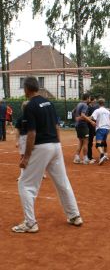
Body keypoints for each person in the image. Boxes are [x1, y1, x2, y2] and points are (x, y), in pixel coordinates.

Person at [12, 76, 83, 233]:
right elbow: (56, 125)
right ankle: (74, 215)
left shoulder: (30, 106)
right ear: (37, 87)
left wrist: (26, 157)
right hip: (55, 146)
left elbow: (31, 133)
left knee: (25, 184)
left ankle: (30, 223)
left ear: (26, 89)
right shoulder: (49, 103)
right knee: (63, 182)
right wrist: (57, 145)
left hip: (42, 146)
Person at [87, 98, 110, 165]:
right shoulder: (108, 111)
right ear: (104, 103)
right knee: (102, 143)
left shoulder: (97, 110)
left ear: (98, 104)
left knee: (98, 144)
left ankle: (102, 155)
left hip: (100, 128)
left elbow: (92, 118)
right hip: (107, 129)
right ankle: (103, 155)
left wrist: (85, 117)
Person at [73, 93, 91, 164]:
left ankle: (77, 158)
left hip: (78, 125)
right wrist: (91, 121)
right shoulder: (85, 105)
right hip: (83, 125)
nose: (90, 99)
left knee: (80, 142)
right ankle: (85, 159)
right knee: (86, 142)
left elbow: (73, 112)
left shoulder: (79, 104)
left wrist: (77, 118)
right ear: (87, 98)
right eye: (89, 98)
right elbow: (83, 115)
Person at [86, 95, 99, 164]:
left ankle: (89, 156)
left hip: (92, 126)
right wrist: (91, 119)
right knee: (89, 142)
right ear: (91, 100)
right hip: (89, 126)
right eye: (94, 100)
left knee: (90, 142)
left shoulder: (93, 107)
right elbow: (86, 117)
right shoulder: (88, 107)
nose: (95, 101)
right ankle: (89, 157)